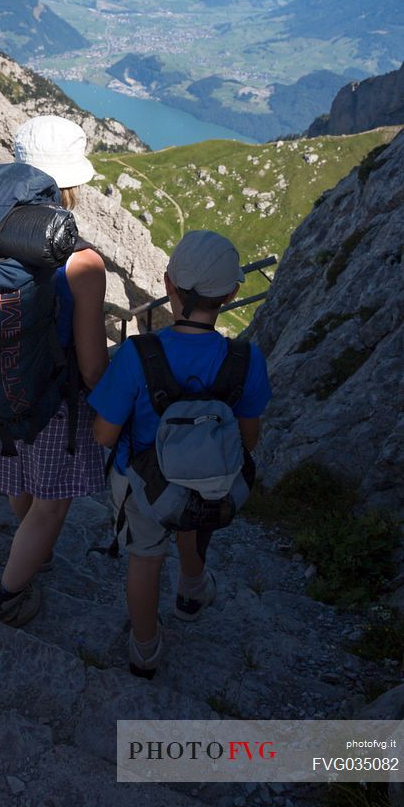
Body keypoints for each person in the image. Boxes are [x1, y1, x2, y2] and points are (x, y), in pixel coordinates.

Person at [89, 230, 272, 678]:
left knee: (145, 558)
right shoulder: (247, 359)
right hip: (213, 480)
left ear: (168, 283)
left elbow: (103, 436)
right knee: (195, 514)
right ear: (231, 293)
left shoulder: (137, 354)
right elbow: (249, 437)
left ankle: (145, 650)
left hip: (144, 483)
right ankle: (192, 589)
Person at [0, 114, 109, 627]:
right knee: (52, 506)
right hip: (50, 404)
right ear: (69, 183)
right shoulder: (81, 262)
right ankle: (8, 595)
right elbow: (90, 364)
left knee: (18, 482)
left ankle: (31, 552)